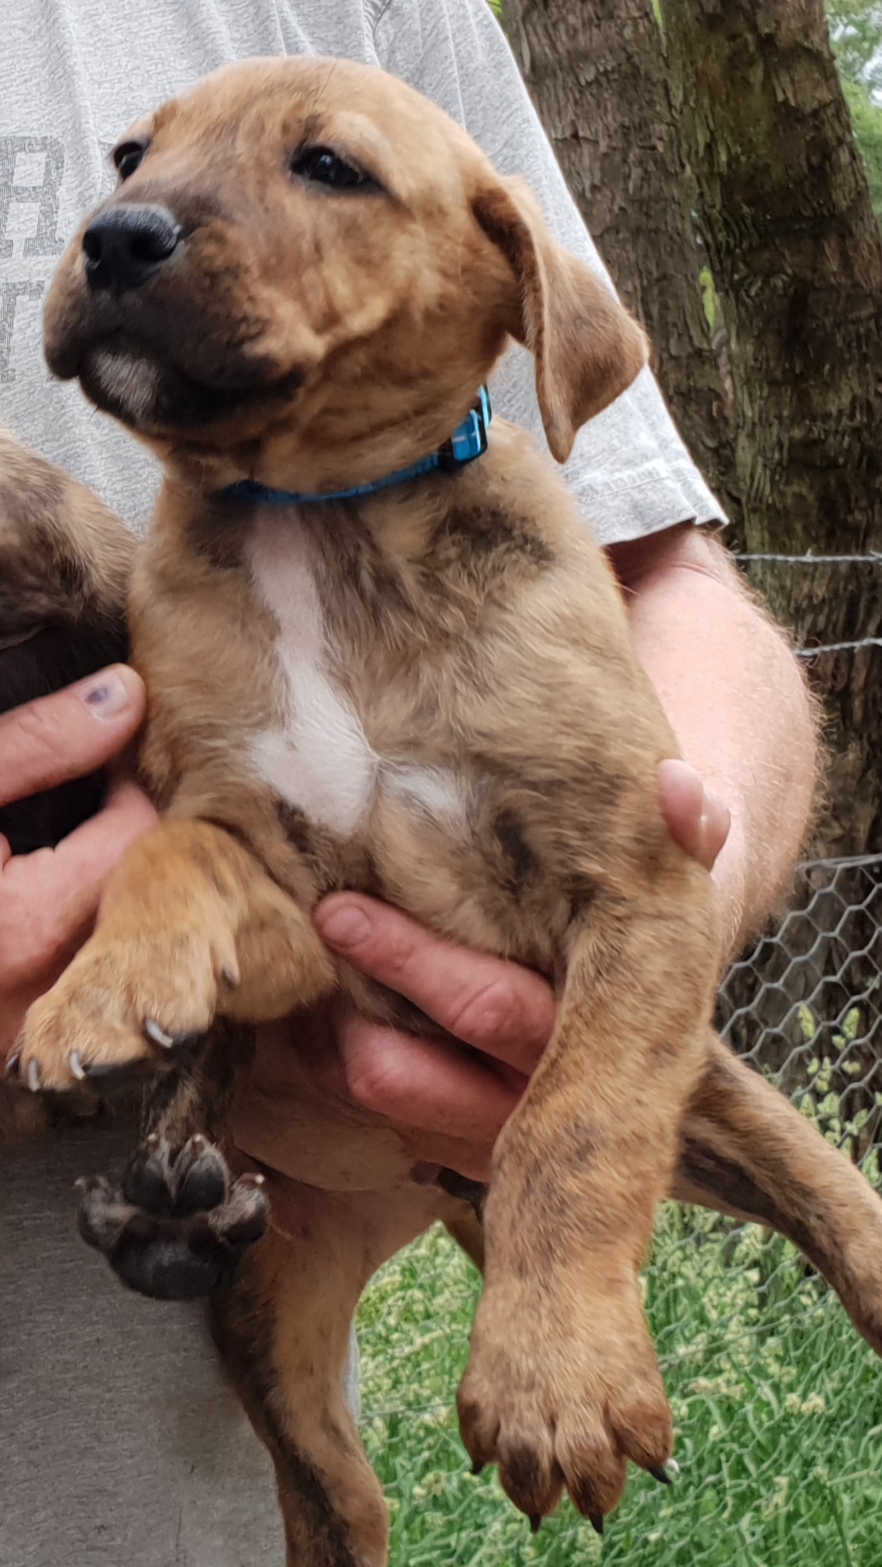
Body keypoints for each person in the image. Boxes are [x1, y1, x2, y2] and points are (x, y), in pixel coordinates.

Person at [0, 1, 816, 1562]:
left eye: (319, 168)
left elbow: (669, 582)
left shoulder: (381, 27)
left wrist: (603, 979)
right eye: (132, 165)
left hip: (158, 1463)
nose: (129, 217)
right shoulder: (184, 560)